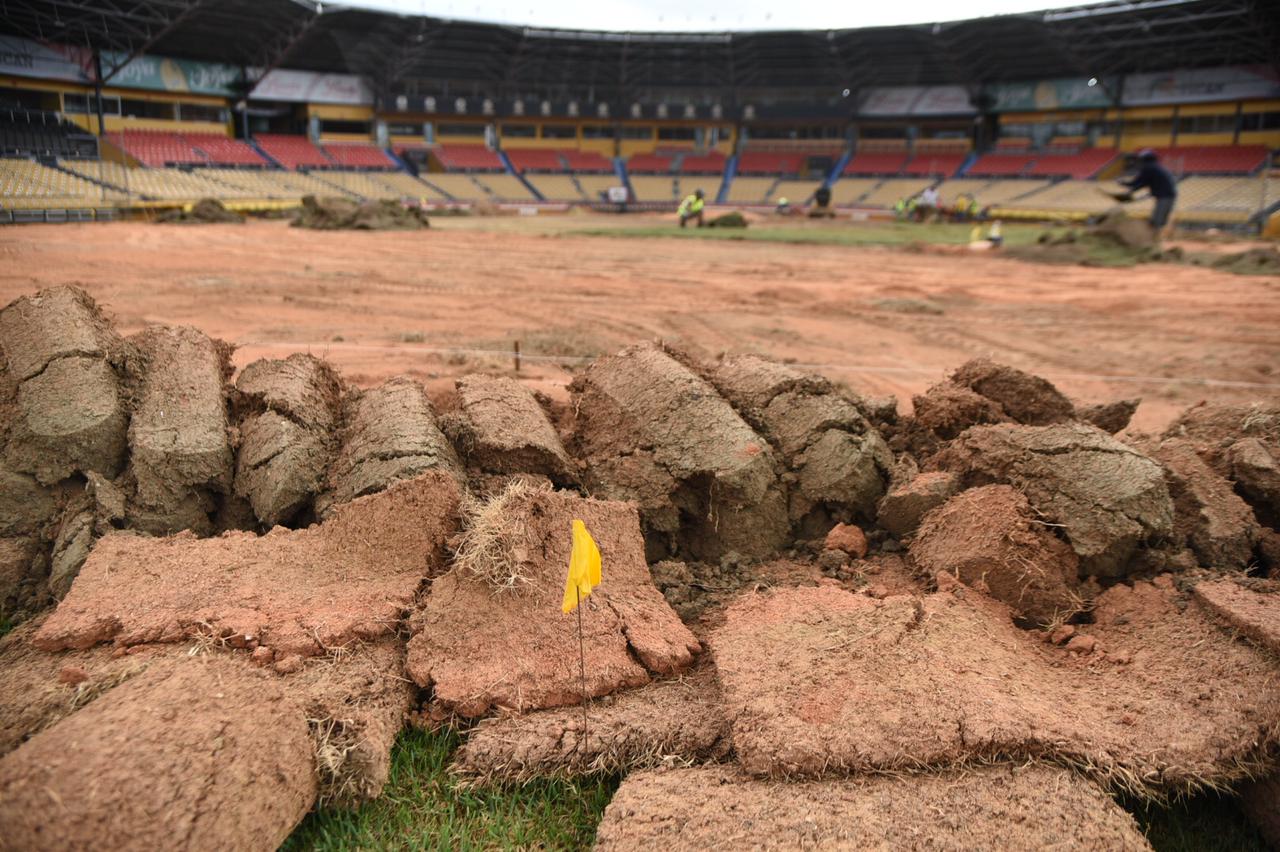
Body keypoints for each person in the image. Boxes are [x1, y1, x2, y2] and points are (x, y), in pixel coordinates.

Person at [1119, 149, 1177, 234]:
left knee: (1157, 220)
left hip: (1165, 196)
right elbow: (1143, 182)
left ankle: (1154, 237)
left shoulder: (1149, 168)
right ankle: (1156, 235)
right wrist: (1131, 190)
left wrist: (1125, 184)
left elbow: (1139, 182)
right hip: (1168, 194)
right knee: (1159, 218)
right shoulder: (1156, 167)